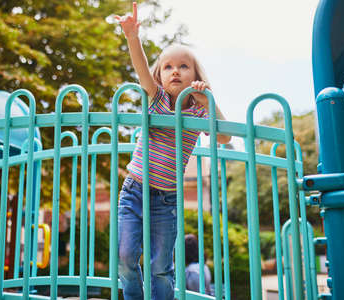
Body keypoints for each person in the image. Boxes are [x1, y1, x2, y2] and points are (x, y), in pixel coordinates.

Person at [115, 3, 231, 300]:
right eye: (168, 66)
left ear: (195, 73)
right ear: (160, 75)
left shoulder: (197, 112)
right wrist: (132, 37)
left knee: (160, 267)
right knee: (126, 256)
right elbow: (142, 73)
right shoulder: (157, 99)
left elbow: (225, 135)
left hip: (166, 200)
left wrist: (208, 99)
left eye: (183, 66)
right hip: (134, 191)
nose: (175, 71)